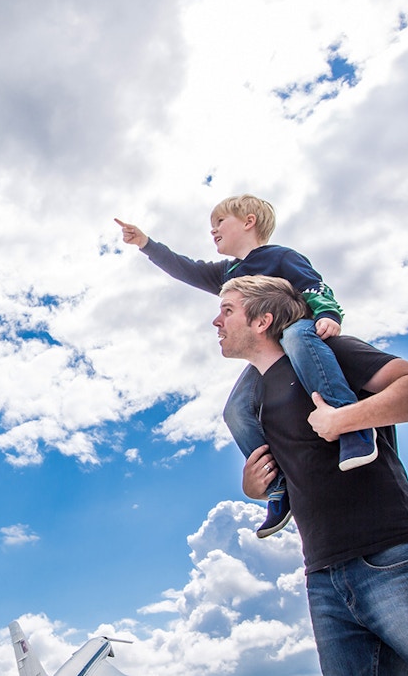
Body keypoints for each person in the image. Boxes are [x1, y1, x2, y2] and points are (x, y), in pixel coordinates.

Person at [216, 274, 408, 675]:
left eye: (227, 311)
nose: (216, 322)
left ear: (262, 320)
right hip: (323, 579)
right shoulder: (251, 401)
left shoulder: (329, 354)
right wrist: (256, 486)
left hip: (397, 559)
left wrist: (346, 418)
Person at [116, 195, 375, 538]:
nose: (213, 230)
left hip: (295, 330)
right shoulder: (228, 273)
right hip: (265, 352)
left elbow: (314, 285)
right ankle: (279, 482)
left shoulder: (280, 256)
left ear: (249, 222)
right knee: (236, 411)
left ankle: (352, 428)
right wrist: (146, 244)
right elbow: (187, 269)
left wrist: (327, 314)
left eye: (220, 223)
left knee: (297, 336)